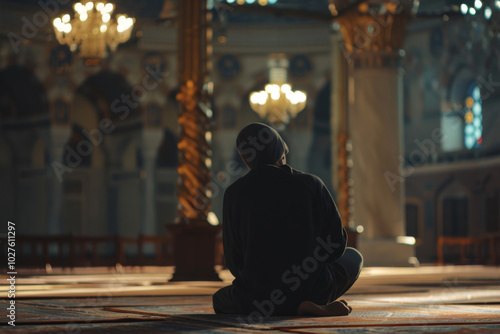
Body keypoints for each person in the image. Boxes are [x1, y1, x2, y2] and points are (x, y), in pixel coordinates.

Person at [213, 122, 363, 320]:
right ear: (281, 151)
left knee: (220, 299)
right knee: (354, 258)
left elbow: (234, 261)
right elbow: (336, 244)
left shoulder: (234, 193)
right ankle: (307, 303)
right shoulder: (312, 184)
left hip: (259, 296)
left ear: (245, 158)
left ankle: (285, 306)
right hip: (312, 287)